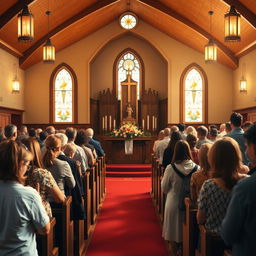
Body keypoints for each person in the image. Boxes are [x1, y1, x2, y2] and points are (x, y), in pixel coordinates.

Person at [197, 137, 247, 256]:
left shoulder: (209, 185)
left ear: (213, 159)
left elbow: (200, 218)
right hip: (240, 241)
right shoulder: (246, 183)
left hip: (214, 242)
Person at [0, 140, 50, 255]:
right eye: (27, 164)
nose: (27, 169)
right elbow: (44, 229)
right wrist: (40, 204)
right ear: (19, 165)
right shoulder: (29, 195)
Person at [221, 124, 256, 255]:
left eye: (247, 147)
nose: (246, 152)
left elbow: (228, 234)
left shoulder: (246, 187)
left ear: (254, 147)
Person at [161, 140, 197, 256]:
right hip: (191, 206)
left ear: (175, 152)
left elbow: (164, 188)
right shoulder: (197, 168)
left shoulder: (170, 168)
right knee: (188, 237)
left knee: (173, 237)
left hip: (173, 204)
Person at [22, 137, 65, 217]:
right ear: (37, 152)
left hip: (20, 212)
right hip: (40, 213)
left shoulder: (15, 173)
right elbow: (60, 199)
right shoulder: (41, 173)